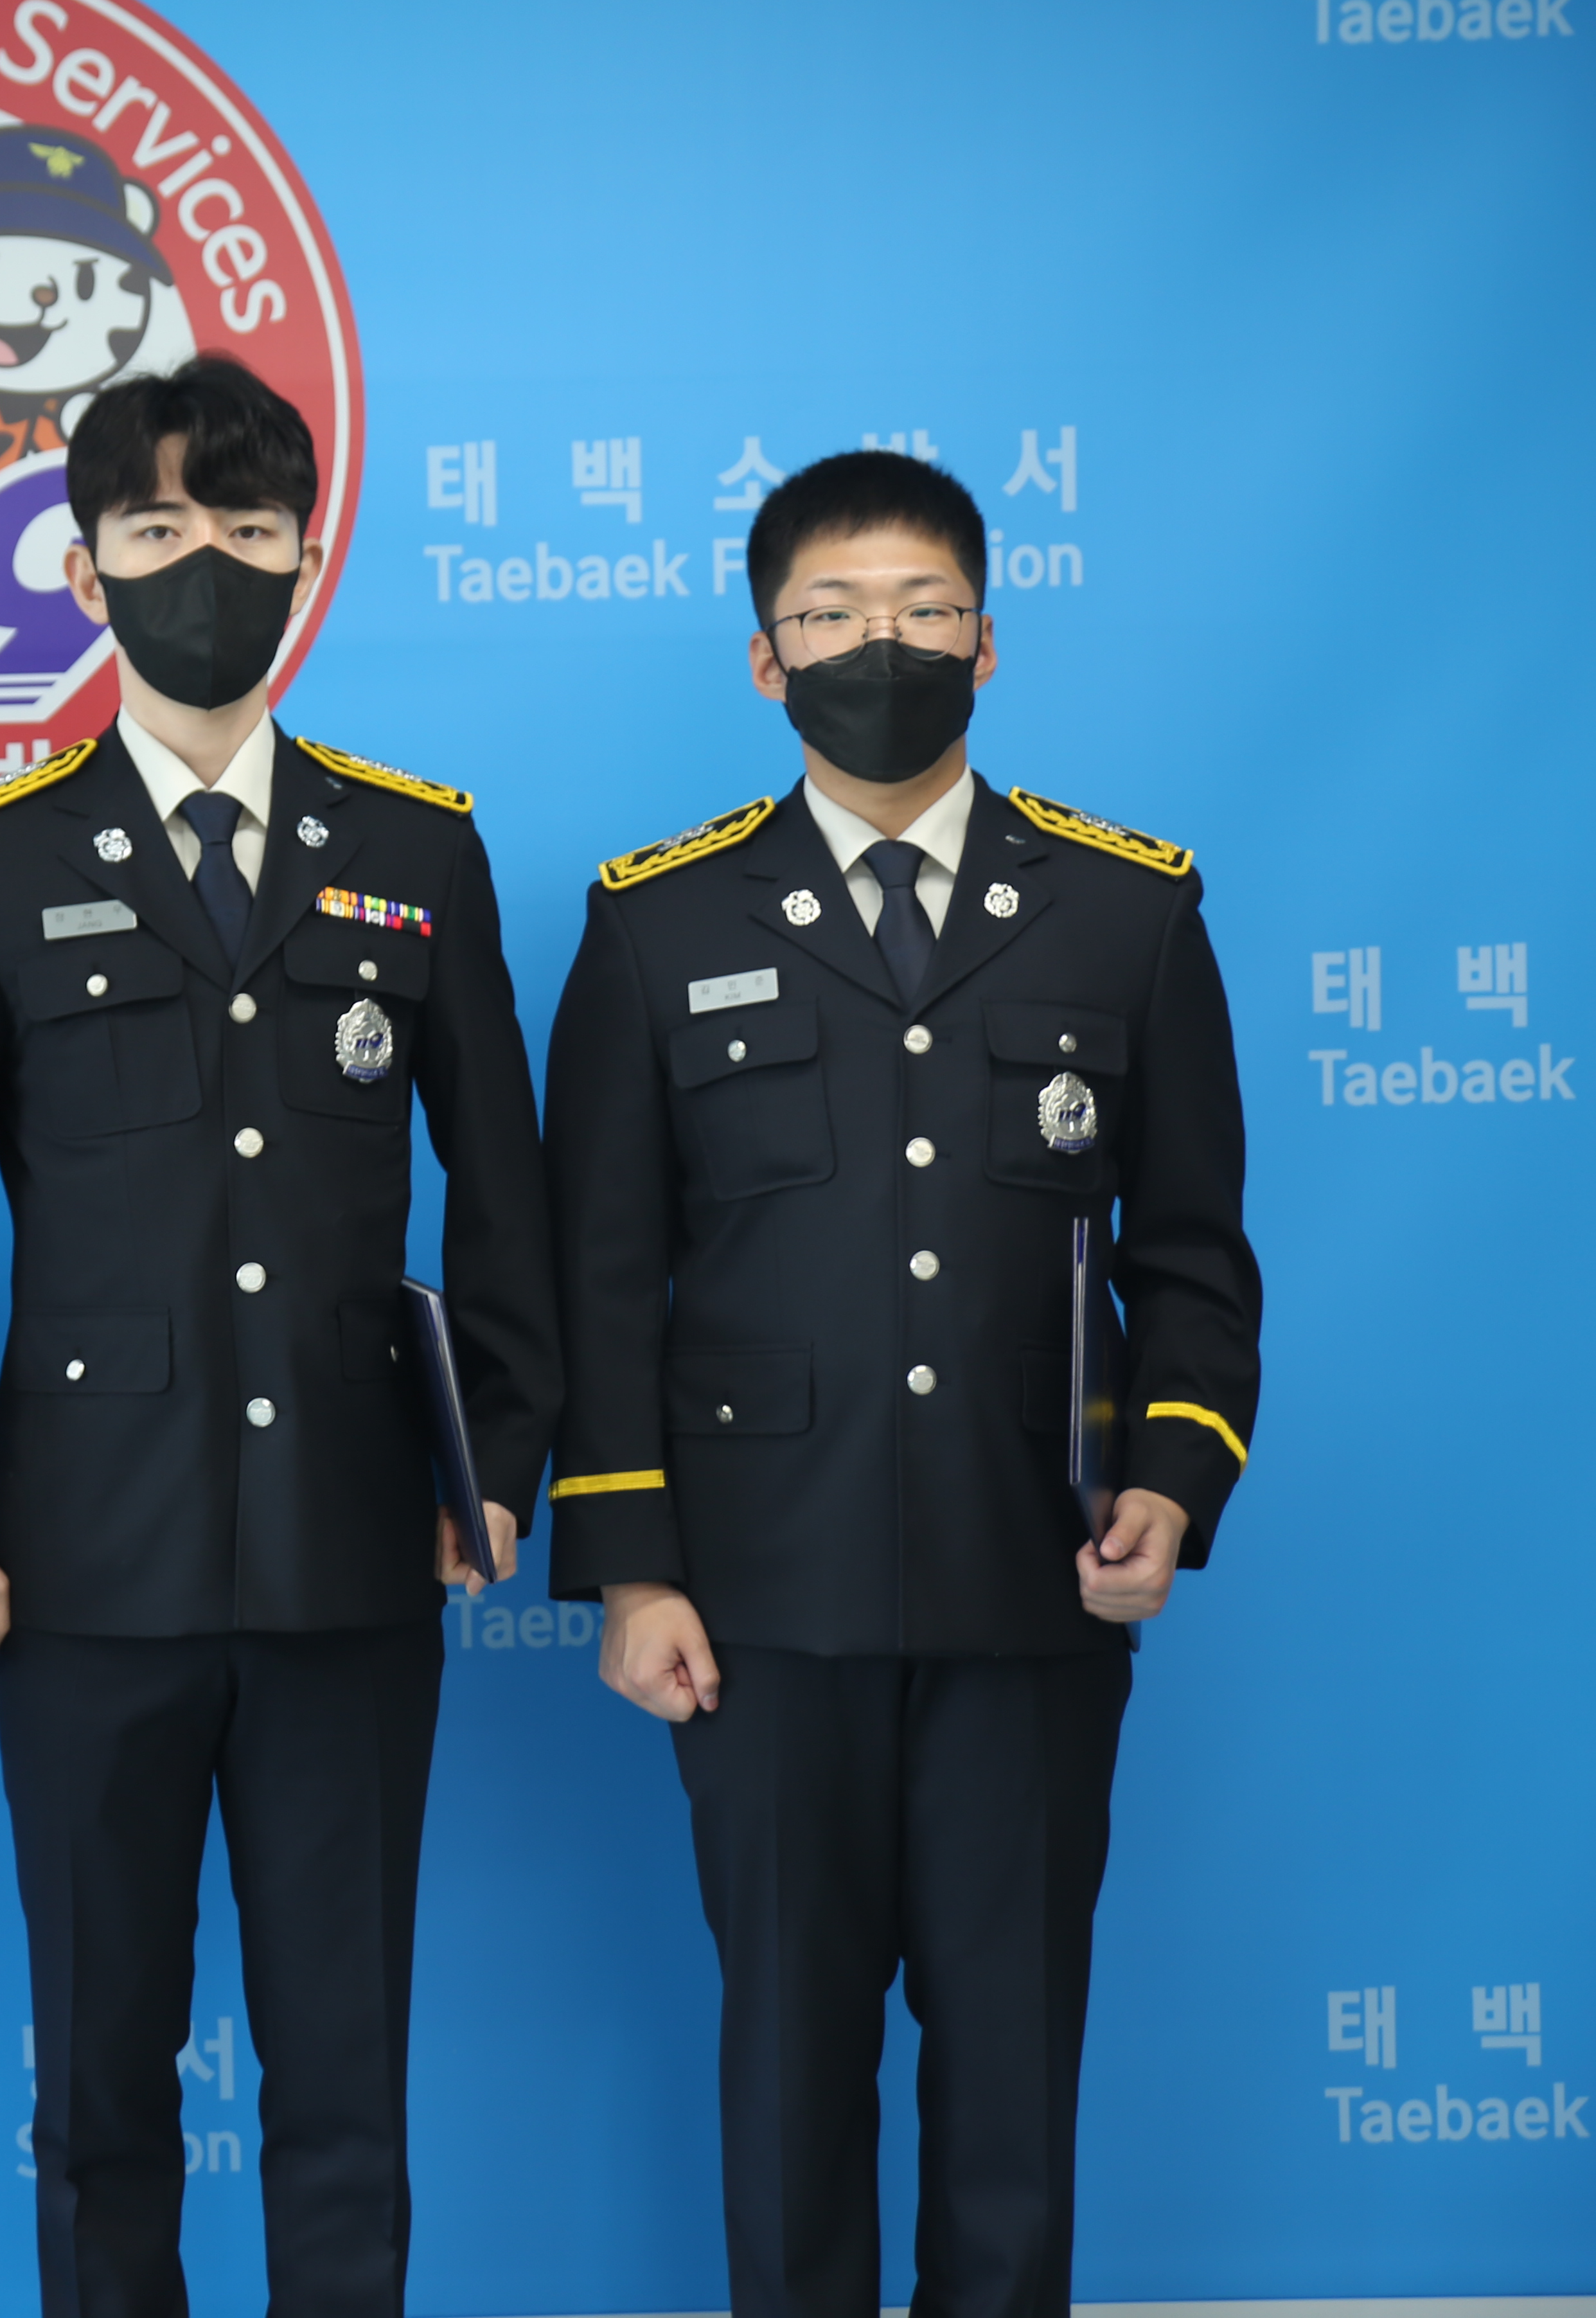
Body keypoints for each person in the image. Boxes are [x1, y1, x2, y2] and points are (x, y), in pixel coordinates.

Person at [0, 355, 562, 2317]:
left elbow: (509, 1198)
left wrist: (495, 1464)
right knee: (100, 2088)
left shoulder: (415, 852)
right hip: (85, 1575)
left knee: (346, 2078)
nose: (207, 565)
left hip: (354, 1555)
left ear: (307, 562)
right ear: (85, 570)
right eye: (160, 526)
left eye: (250, 528)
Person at [540, 449, 1264, 2318]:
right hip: (761, 1610)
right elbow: (599, 1282)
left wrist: (1172, 1484)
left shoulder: (1127, 910)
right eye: (834, 614)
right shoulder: (660, 921)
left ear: (989, 644)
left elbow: (1195, 1255)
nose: (885, 645)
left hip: (1038, 1587)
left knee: (1014, 2078)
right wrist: (633, 1571)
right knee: (789, 2077)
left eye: (926, 610)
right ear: (767, 660)